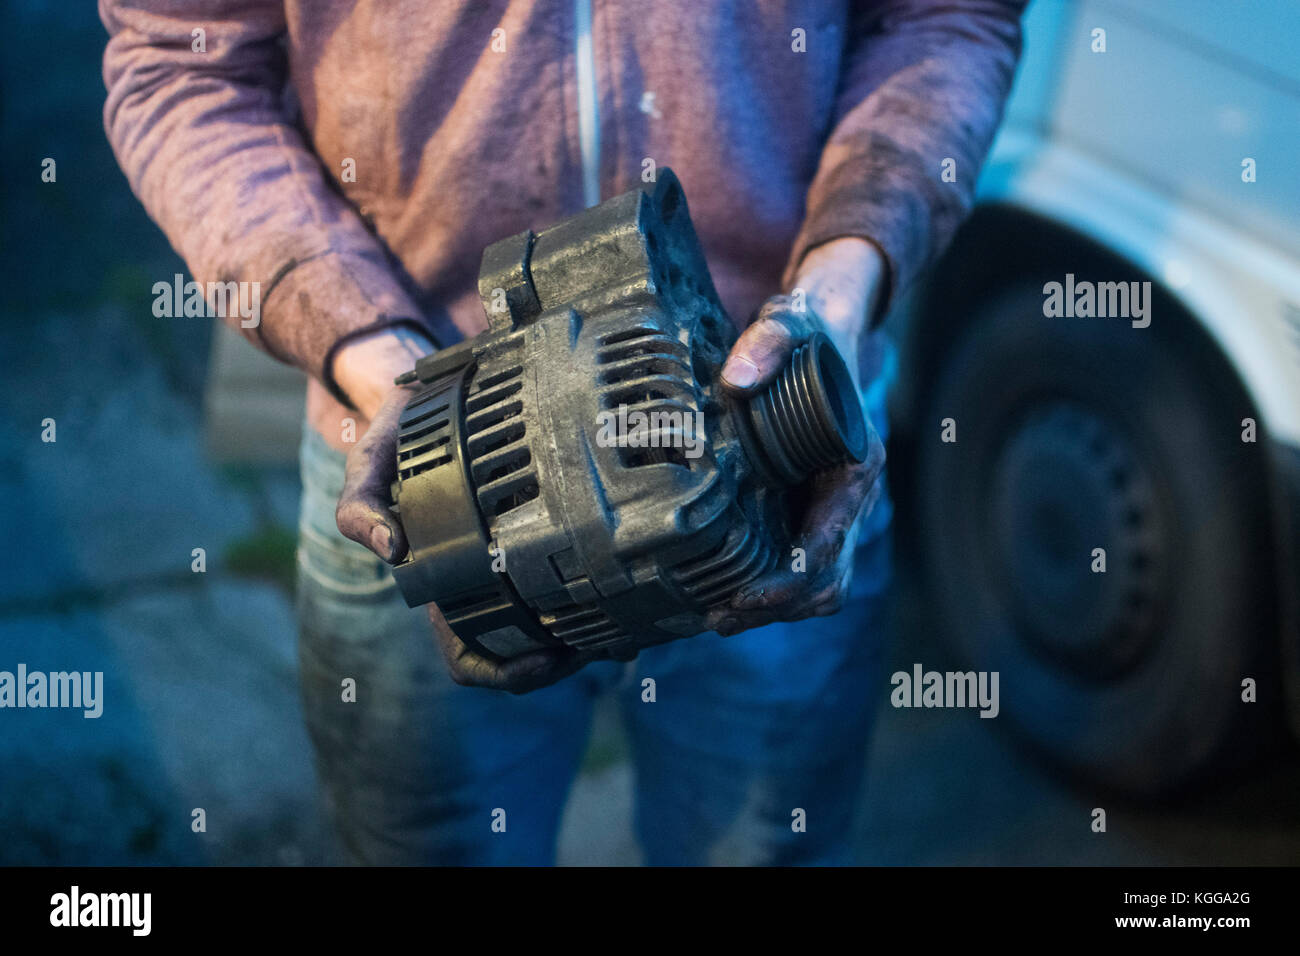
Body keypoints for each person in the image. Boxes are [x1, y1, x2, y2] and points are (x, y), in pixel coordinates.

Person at [101, 0, 1026, 864]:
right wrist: (378, 357)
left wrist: (837, 297)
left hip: (780, 488)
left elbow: (944, 15)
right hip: (424, 477)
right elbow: (182, 61)